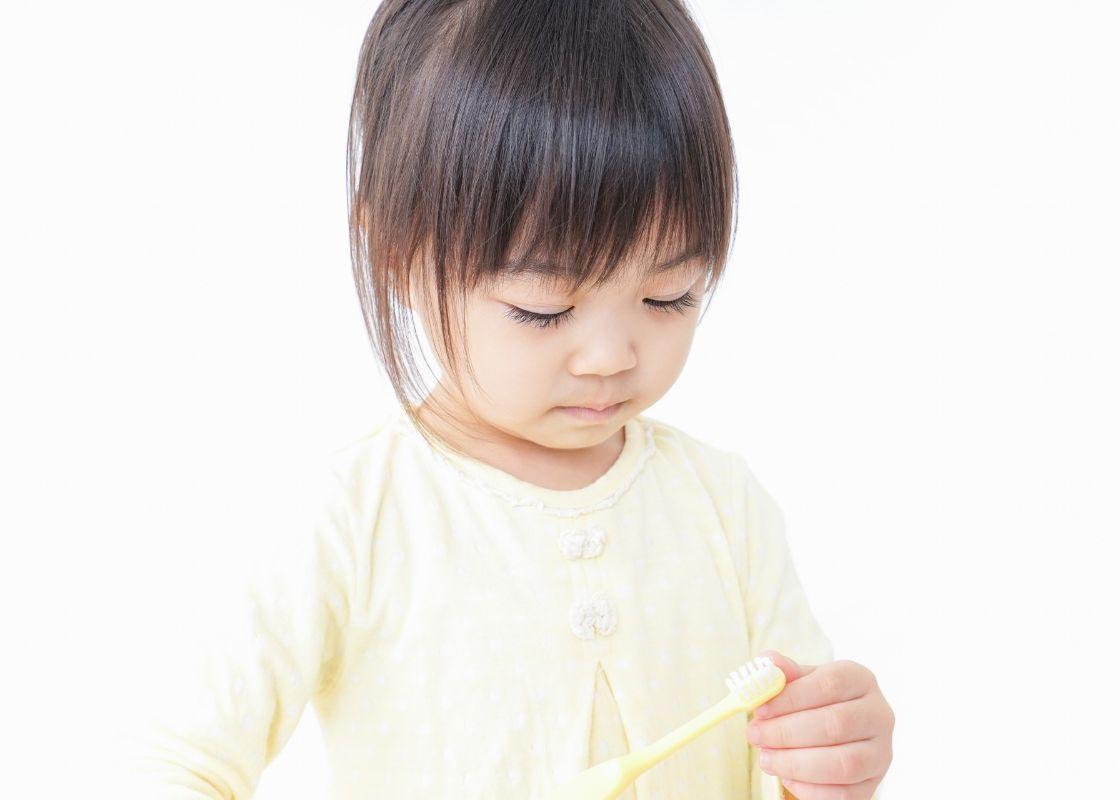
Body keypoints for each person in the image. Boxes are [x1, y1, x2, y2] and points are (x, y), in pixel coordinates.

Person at [123, 0, 894, 797]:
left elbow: (789, 751)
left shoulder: (725, 510)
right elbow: (178, 762)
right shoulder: (354, 519)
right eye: (543, 308)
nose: (610, 356)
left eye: (668, 295)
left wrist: (827, 764)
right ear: (397, 253)